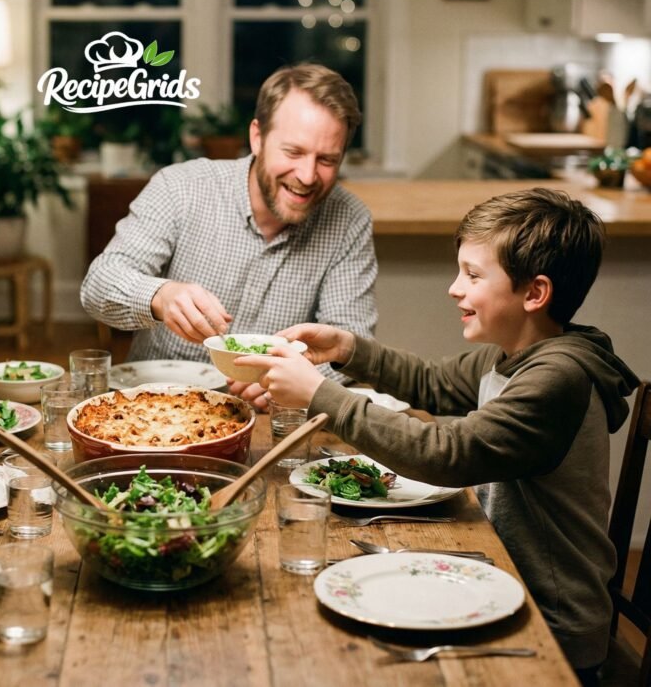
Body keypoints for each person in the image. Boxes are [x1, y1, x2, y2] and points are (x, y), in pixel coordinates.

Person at [235, 188, 638, 683]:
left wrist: (320, 395)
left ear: (534, 293)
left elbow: (446, 454)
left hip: (550, 626)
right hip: (502, 576)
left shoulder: (558, 377)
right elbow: (432, 381)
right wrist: (346, 348)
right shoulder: (514, 354)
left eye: (473, 274)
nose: (454, 288)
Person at [80, 64, 377, 409]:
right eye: (293, 152)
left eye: (327, 159)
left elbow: (352, 344)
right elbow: (98, 285)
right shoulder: (181, 187)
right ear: (257, 137)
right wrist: (159, 296)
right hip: (153, 409)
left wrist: (300, 380)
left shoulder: (349, 219)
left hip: (269, 419)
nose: (308, 176)